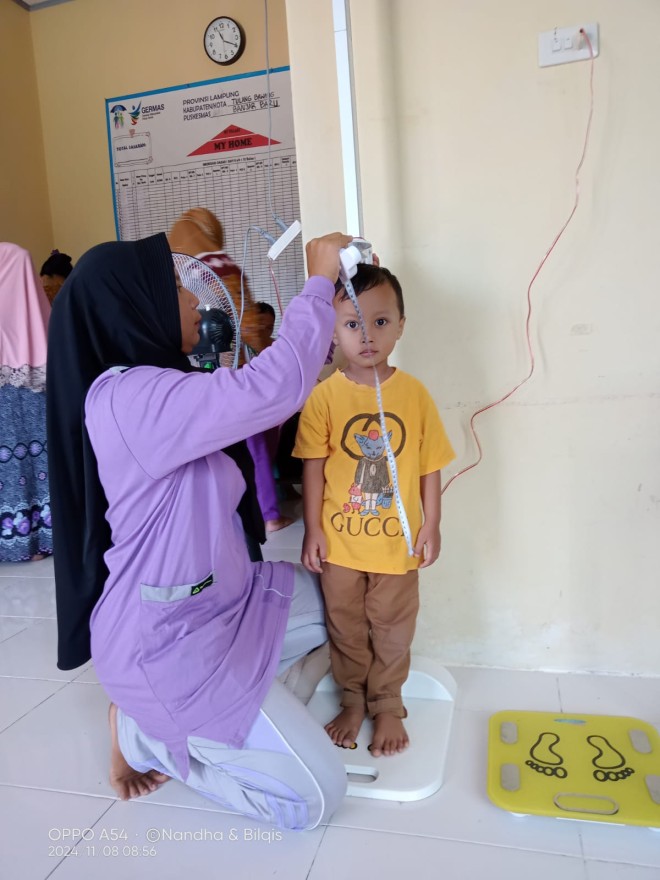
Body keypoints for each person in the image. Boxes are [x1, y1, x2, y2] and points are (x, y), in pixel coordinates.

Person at [46, 230, 352, 829]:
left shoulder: (168, 382)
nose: (195, 300)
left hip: (226, 606)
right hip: (171, 648)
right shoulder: (127, 397)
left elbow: (269, 392)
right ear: (136, 304)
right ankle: (146, 737)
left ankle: (226, 711)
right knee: (316, 799)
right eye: (176, 288)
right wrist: (316, 281)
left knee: (348, 604)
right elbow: (271, 389)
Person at [293, 264, 455, 757]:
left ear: (401, 325)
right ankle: (352, 700)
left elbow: (430, 465)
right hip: (340, 545)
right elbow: (314, 469)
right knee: (345, 626)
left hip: (397, 548)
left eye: (380, 322)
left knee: (393, 629)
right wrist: (313, 530)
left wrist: (432, 524)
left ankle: (387, 703)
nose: (366, 336)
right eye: (352, 323)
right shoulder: (323, 398)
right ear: (333, 330)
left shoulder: (415, 395)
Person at [0, 243, 53, 562]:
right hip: (27, 374)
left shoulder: (12, 256)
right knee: (32, 459)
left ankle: (22, 539)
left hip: (25, 380)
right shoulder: (13, 256)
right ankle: (37, 536)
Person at [246, 301, 294, 534]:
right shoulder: (238, 350)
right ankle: (271, 516)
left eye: (268, 327)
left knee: (271, 453)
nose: (263, 331)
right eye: (259, 326)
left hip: (274, 411)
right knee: (260, 457)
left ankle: (283, 490)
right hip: (250, 412)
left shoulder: (275, 349)